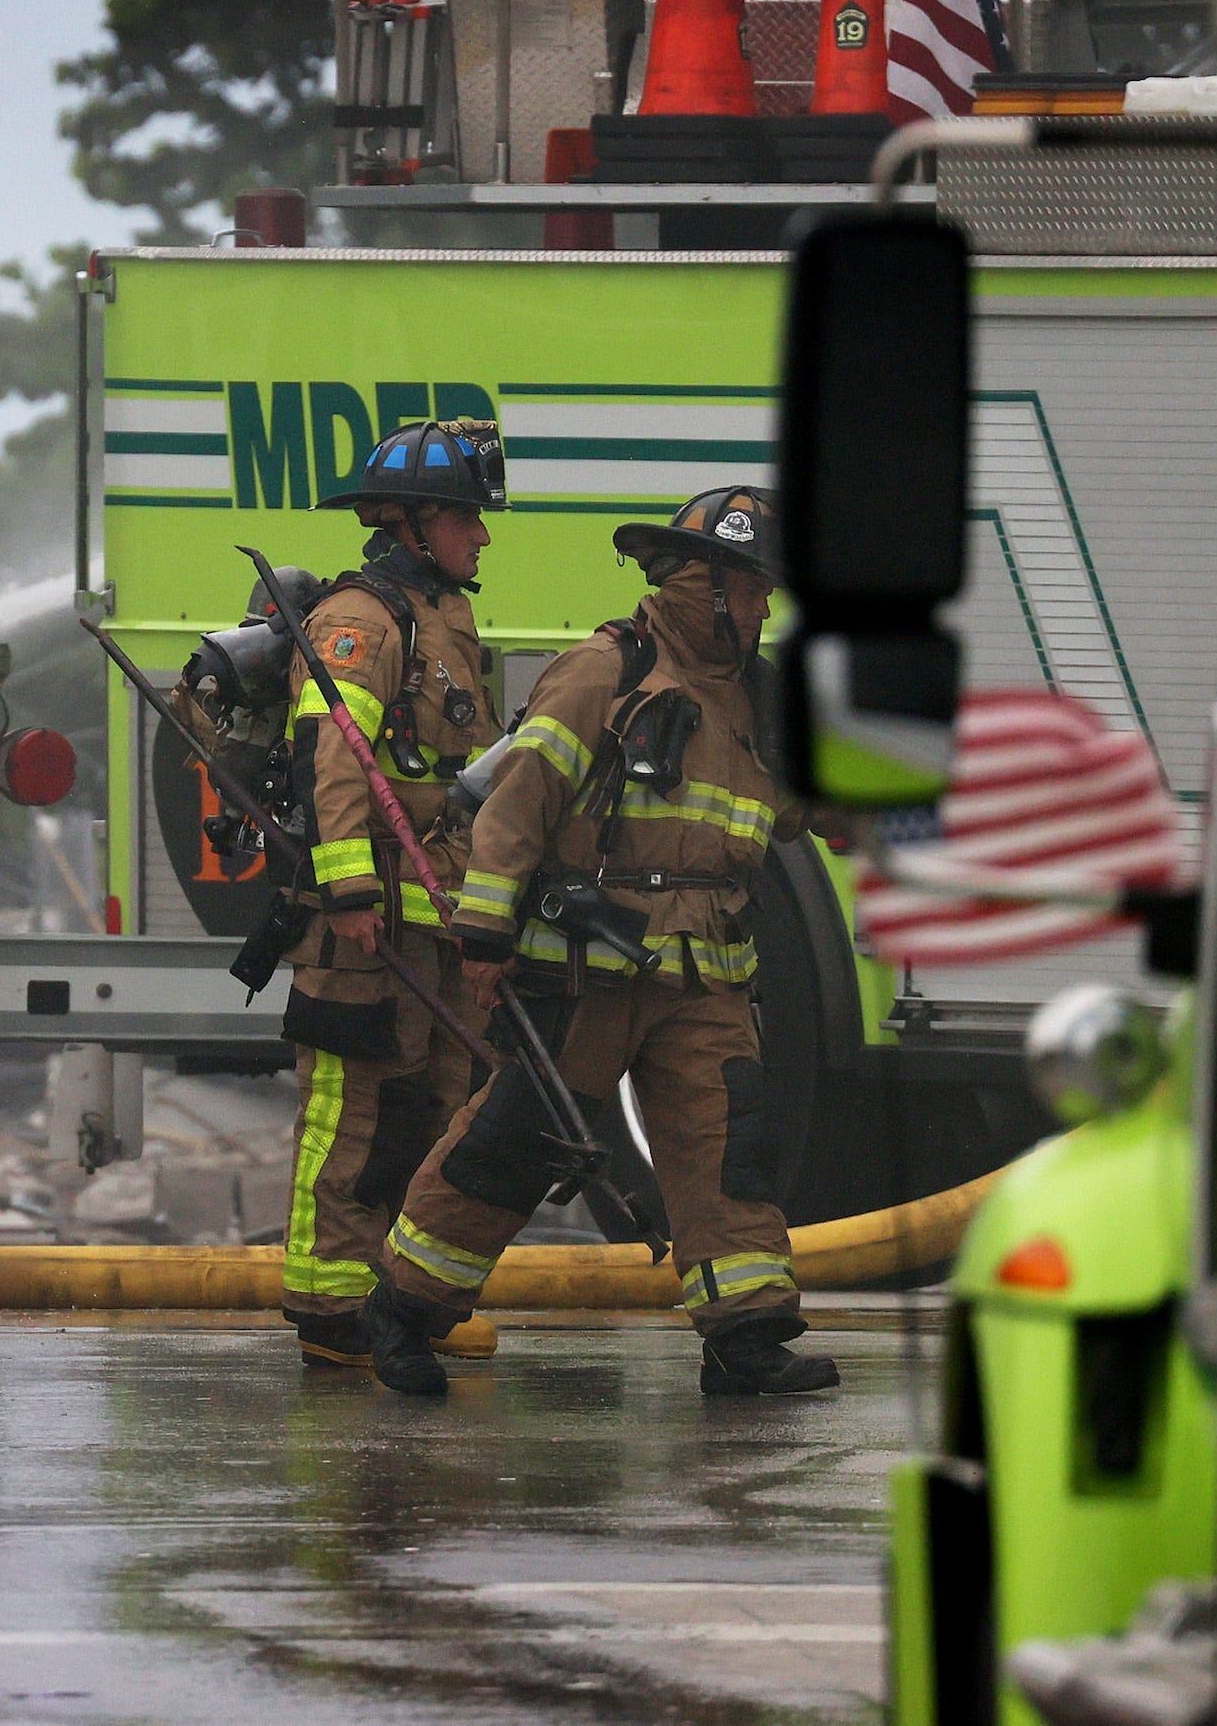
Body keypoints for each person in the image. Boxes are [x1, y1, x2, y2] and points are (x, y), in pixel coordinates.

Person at [370, 487, 840, 1398]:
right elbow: (519, 807)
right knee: (514, 1146)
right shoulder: (604, 671)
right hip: (592, 967)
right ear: (703, 585)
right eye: (750, 592)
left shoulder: (754, 700)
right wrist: (484, 937)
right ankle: (405, 1310)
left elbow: (798, 810)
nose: (763, 610)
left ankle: (745, 1338)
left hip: (705, 974)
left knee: (726, 1148)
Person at [275, 420, 507, 1371]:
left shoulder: (442, 616)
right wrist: (349, 893)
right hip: (367, 924)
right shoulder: (363, 621)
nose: (482, 537)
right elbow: (336, 758)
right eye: (466, 519)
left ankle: (396, 1297)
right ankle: (330, 1309)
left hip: (435, 913)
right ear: (413, 525)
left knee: (434, 1103)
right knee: (352, 1111)